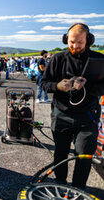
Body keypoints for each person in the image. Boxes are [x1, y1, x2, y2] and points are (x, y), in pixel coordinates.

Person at [41, 23, 104, 189]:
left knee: (83, 155)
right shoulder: (58, 59)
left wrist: (87, 86)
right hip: (61, 114)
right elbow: (44, 83)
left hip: (87, 117)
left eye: (80, 43)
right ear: (65, 40)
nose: (75, 46)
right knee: (60, 152)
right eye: (71, 42)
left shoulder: (100, 59)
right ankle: (60, 181)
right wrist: (58, 87)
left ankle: (78, 188)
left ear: (88, 40)